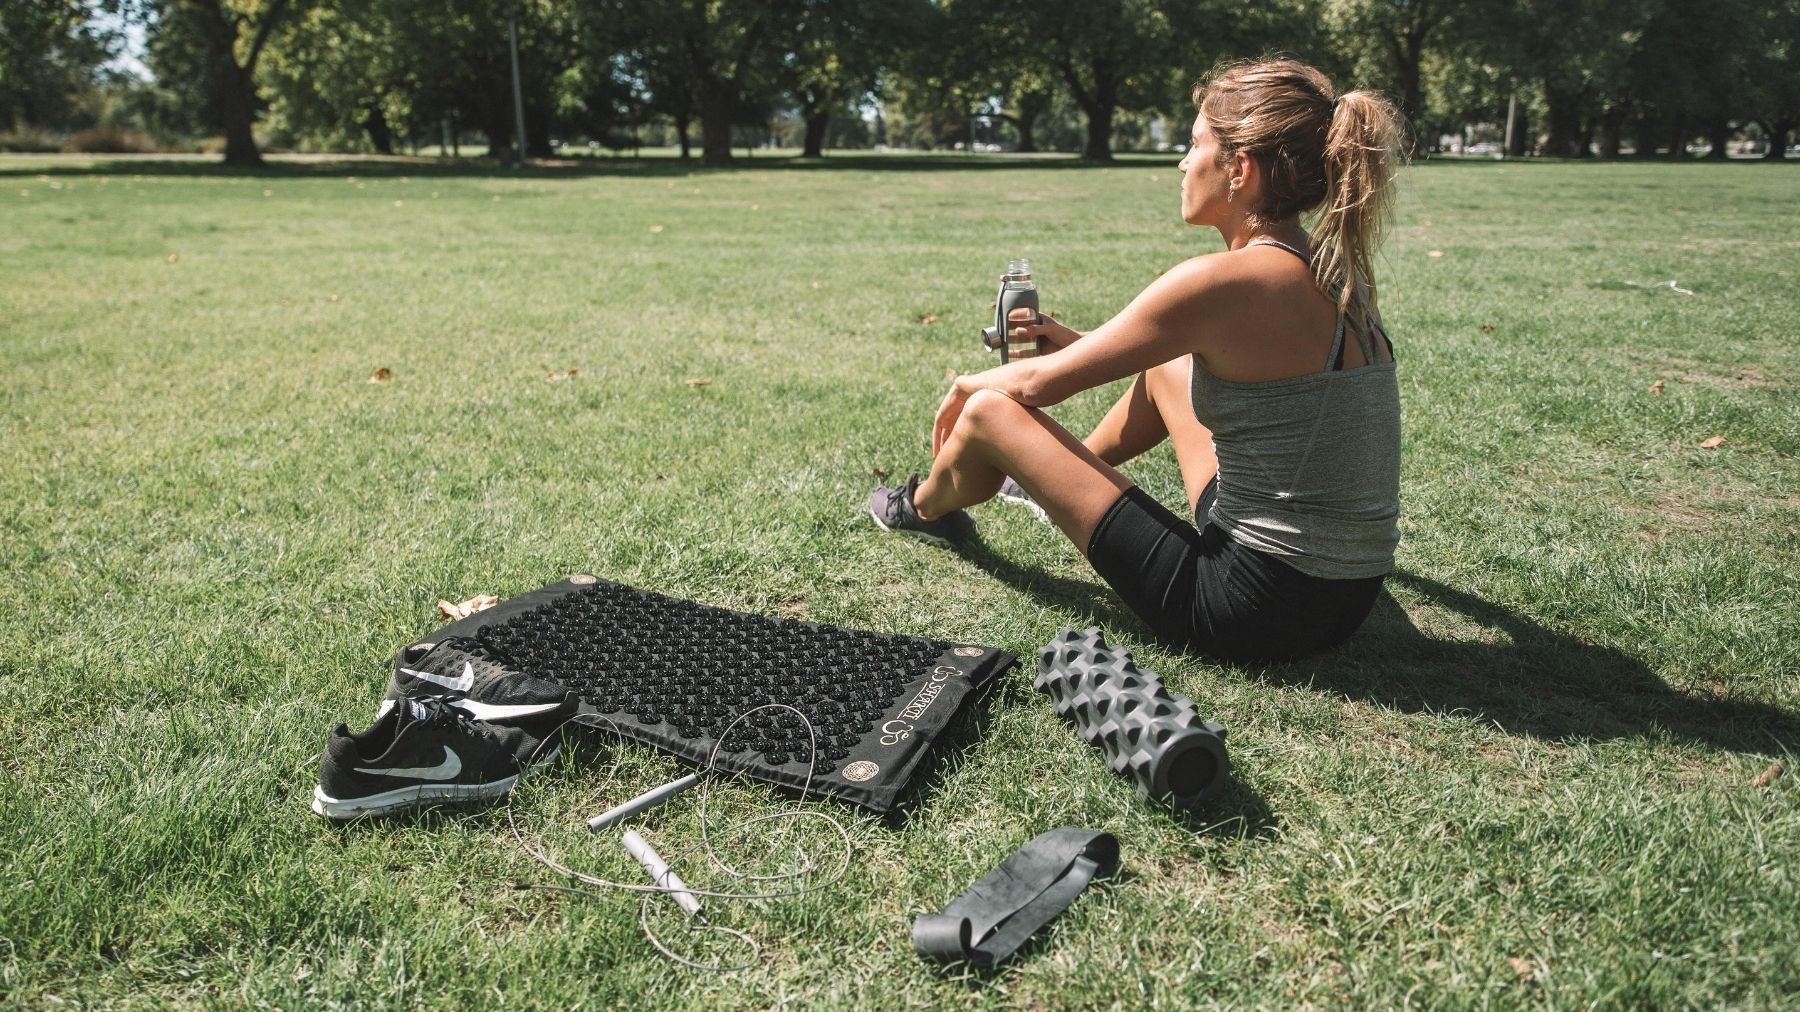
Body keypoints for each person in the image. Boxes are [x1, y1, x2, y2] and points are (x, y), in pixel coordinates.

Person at [869, 58, 1405, 663]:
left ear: (1240, 169)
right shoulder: (1336, 271)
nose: (1181, 162)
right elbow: (1189, 354)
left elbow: (1036, 386)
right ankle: (1041, 486)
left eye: (1194, 143)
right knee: (1169, 368)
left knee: (990, 412)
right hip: (1348, 601)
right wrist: (1081, 344)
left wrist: (966, 386)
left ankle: (921, 509)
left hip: (1246, 610)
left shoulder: (1220, 281)